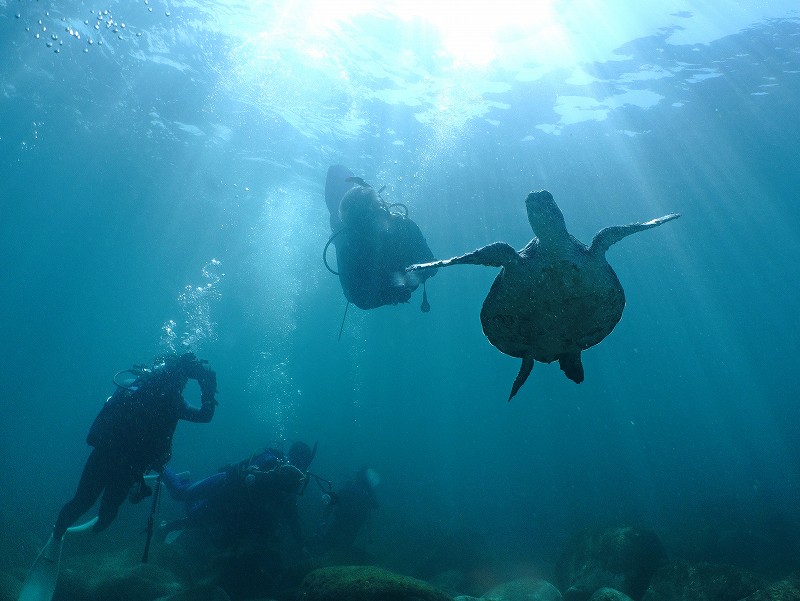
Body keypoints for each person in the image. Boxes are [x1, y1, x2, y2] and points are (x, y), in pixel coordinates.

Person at [52, 352, 218, 542]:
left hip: (105, 453)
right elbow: (205, 416)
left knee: (81, 502)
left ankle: (56, 534)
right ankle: (85, 531)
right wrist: (208, 384)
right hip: (131, 465)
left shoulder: (134, 384)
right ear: (180, 378)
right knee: (108, 512)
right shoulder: (174, 401)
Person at [161, 441, 315, 550]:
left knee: (197, 521)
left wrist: (302, 546)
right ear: (291, 457)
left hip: (233, 507)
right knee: (179, 493)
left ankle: (183, 489)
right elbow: (251, 470)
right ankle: (159, 463)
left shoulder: (288, 489)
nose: (299, 470)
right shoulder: (272, 461)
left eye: (303, 466)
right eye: (298, 463)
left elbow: (292, 517)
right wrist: (269, 475)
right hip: (224, 484)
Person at [324, 165, 437, 312]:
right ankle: (341, 212)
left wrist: (405, 282)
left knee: (338, 220)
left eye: (373, 220)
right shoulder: (349, 244)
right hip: (368, 281)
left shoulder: (404, 227)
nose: (372, 231)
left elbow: (431, 266)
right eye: (364, 225)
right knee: (337, 223)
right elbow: (359, 299)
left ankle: (346, 202)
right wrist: (393, 292)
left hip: (385, 280)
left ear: (384, 213)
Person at [312, 466, 380, 554]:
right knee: (346, 537)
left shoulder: (352, 485)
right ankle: (338, 553)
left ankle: (323, 550)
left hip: (343, 515)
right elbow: (375, 505)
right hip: (354, 519)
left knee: (334, 531)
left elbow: (338, 497)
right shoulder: (366, 490)